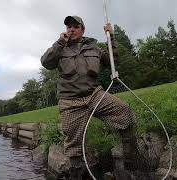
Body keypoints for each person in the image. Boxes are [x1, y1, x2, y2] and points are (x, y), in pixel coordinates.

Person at [41, 16, 141, 179]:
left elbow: (113, 62)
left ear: (83, 30)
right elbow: (46, 62)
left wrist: (111, 38)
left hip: (95, 95)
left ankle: (130, 163)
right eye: (68, 27)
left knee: (125, 112)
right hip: (70, 101)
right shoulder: (60, 48)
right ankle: (76, 174)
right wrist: (59, 43)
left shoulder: (94, 48)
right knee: (74, 144)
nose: (71, 30)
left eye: (75, 27)